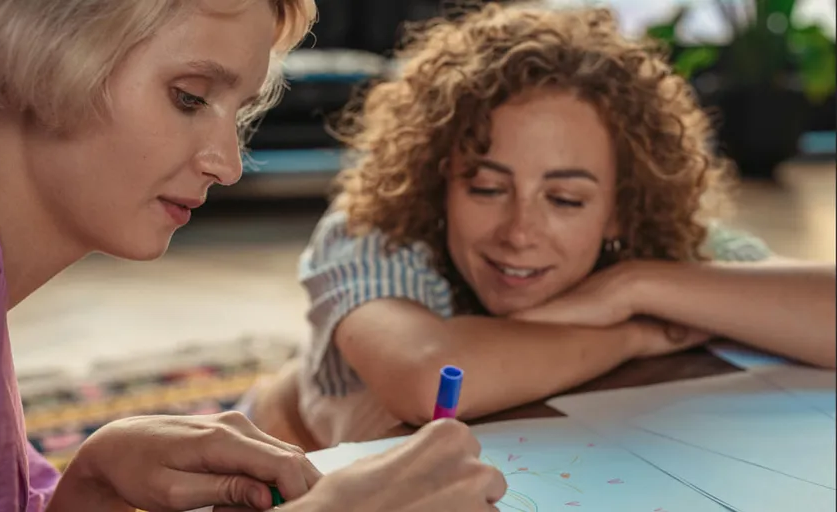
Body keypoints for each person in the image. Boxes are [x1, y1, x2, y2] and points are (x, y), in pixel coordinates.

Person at [0, 1, 507, 511]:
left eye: (239, 112)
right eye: (190, 97)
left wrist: (92, 482)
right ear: (44, 48)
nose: (227, 165)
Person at [270, 3, 837, 449]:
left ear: (619, 206)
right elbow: (431, 379)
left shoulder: (649, 245)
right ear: (440, 179)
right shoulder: (375, 235)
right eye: (487, 188)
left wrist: (634, 285)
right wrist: (634, 332)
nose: (520, 231)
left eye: (565, 199)